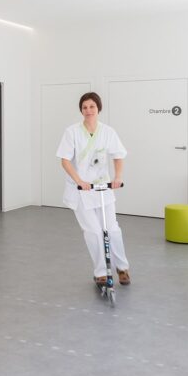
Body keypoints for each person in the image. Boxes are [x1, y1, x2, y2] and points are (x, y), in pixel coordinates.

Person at [56, 92, 130, 286]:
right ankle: (100, 273)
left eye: (92, 107)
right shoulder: (71, 132)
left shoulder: (108, 132)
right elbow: (65, 160)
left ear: (98, 108)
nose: (88, 110)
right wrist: (79, 181)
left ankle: (122, 268)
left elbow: (118, 155)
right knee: (94, 232)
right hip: (81, 190)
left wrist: (118, 177)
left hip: (103, 188)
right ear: (81, 110)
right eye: (85, 107)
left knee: (112, 230)